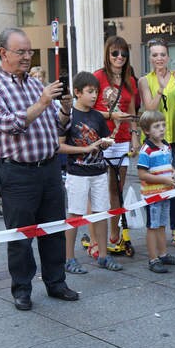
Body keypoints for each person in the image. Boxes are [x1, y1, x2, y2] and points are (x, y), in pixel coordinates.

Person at [0, 27, 78, 310]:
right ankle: (22, 290)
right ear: (3, 53)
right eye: (20, 52)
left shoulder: (37, 86)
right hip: (18, 173)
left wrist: (65, 111)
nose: (27, 57)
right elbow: (9, 125)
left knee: (53, 230)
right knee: (20, 236)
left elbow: (56, 129)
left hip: (48, 169)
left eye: (29, 51)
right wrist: (44, 102)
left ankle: (56, 282)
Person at [59, 72, 123, 274]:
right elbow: (59, 147)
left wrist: (106, 142)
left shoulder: (97, 116)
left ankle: (103, 255)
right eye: (90, 91)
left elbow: (103, 140)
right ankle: (69, 258)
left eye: (96, 91)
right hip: (77, 173)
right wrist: (85, 149)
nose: (94, 95)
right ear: (78, 92)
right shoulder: (69, 116)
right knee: (75, 214)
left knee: (101, 212)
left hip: (98, 171)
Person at [138, 38, 175, 247]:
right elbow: (149, 107)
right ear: (150, 58)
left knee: (173, 181)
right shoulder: (144, 80)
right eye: (155, 55)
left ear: (168, 57)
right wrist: (162, 87)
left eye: (162, 54)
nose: (159, 58)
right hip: (153, 141)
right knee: (155, 184)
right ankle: (155, 229)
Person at [94, 36, 139, 249]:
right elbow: (88, 109)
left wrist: (134, 136)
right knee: (96, 189)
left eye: (123, 53)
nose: (119, 57)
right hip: (99, 140)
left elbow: (131, 112)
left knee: (117, 189)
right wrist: (110, 116)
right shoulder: (97, 77)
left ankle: (113, 233)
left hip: (121, 141)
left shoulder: (130, 80)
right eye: (115, 53)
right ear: (107, 54)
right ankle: (95, 237)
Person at [137, 110, 175, 273]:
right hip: (152, 196)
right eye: (157, 126)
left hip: (166, 193)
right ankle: (153, 259)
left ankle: (163, 254)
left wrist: (173, 171)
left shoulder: (166, 146)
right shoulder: (146, 150)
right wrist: (164, 180)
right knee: (152, 226)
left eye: (163, 125)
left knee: (162, 224)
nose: (162, 129)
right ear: (147, 131)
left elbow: (167, 164)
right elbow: (142, 174)